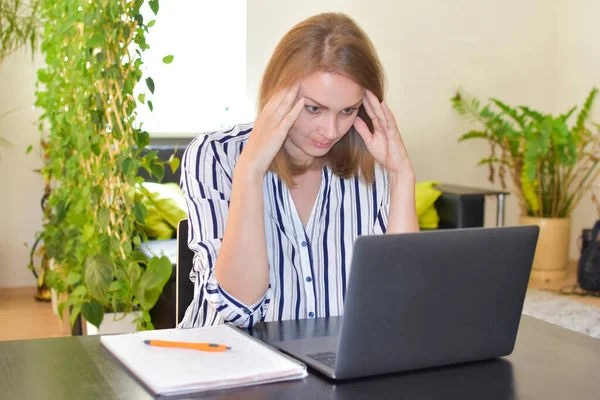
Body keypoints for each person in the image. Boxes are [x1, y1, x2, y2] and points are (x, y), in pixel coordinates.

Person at [178, 12, 419, 329]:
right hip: (227, 367)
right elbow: (239, 308)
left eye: (347, 110)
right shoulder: (215, 155)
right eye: (314, 108)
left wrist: (401, 175)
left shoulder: (371, 162)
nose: (330, 131)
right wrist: (250, 170)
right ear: (278, 93)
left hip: (336, 370)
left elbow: (403, 303)